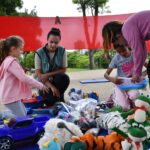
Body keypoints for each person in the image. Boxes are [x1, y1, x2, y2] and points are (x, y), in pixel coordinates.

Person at [0, 36, 48, 117]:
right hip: (11, 98)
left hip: (11, 97)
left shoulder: (6, 61)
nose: (22, 52)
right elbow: (24, 78)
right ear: (13, 49)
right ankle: (3, 116)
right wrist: (41, 86)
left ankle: (8, 118)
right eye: (20, 49)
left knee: (24, 114)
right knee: (22, 118)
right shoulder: (11, 62)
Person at [102, 10, 150, 83]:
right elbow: (143, 51)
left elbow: (138, 51)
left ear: (117, 36)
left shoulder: (126, 29)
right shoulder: (129, 27)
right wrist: (138, 72)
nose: (120, 45)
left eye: (114, 41)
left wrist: (136, 73)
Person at [35, 28, 70, 106]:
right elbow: (39, 75)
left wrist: (47, 74)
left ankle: (59, 97)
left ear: (59, 42)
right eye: (51, 42)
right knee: (51, 102)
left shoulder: (62, 50)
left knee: (64, 78)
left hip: (56, 80)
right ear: (47, 40)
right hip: (44, 83)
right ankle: (59, 98)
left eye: (56, 42)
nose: (53, 44)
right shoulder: (39, 52)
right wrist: (52, 87)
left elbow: (63, 70)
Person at [104, 43, 141, 110]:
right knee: (124, 108)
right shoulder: (116, 58)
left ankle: (128, 99)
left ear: (128, 46)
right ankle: (114, 96)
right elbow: (106, 75)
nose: (122, 53)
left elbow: (148, 69)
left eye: (124, 50)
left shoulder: (135, 55)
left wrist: (139, 75)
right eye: (119, 52)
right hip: (120, 84)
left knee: (136, 101)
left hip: (132, 83)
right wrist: (112, 79)